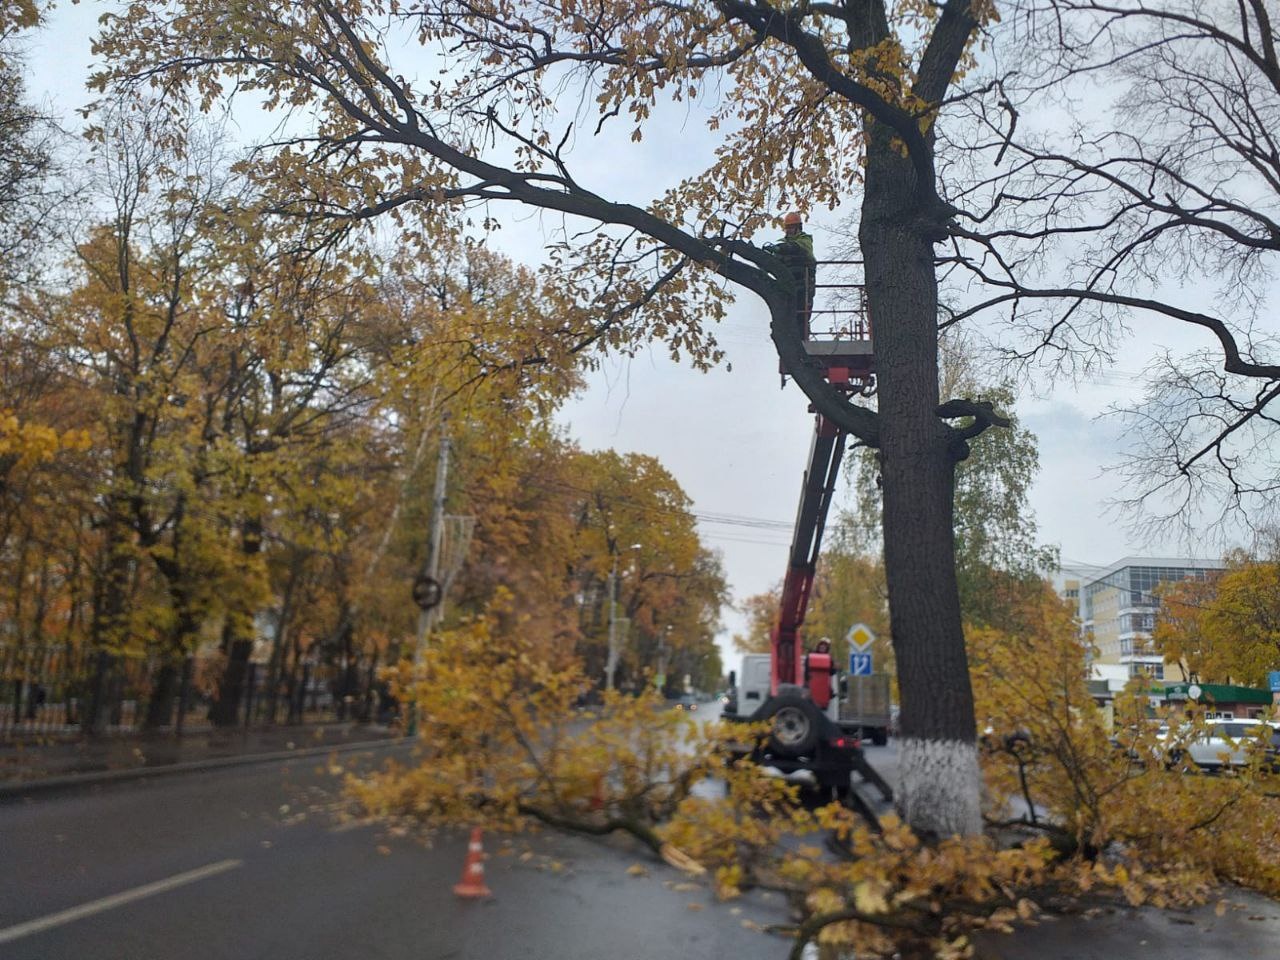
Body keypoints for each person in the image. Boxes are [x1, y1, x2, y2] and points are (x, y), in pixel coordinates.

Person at [765, 211, 817, 336]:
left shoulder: (805, 241)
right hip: (787, 286)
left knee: (801, 316)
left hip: (804, 286)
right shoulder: (783, 244)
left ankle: (802, 339)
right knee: (787, 315)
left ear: (798, 228)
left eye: (791, 227)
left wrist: (780, 249)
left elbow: (797, 248)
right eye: (787, 228)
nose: (788, 231)